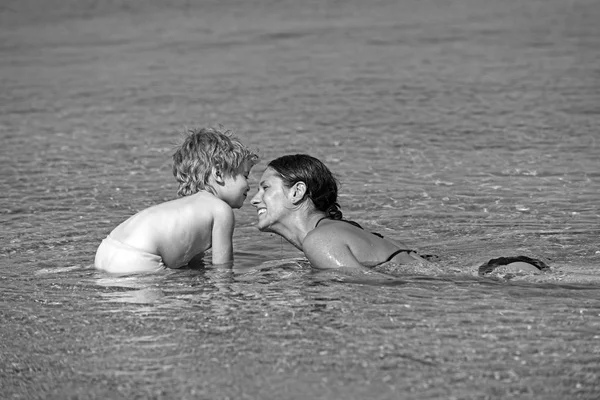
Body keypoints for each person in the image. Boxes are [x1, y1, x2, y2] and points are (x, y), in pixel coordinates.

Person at [250, 154, 549, 275]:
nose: (255, 199)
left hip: (502, 277)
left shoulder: (320, 241)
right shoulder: (329, 233)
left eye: (265, 187)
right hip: (499, 270)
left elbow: (382, 289)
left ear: (297, 191)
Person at [94, 127, 259, 274]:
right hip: (138, 257)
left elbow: (194, 260)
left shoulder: (190, 207)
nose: (249, 185)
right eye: (245, 175)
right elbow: (222, 268)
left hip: (107, 249)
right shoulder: (221, 211)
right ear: (218, 174)